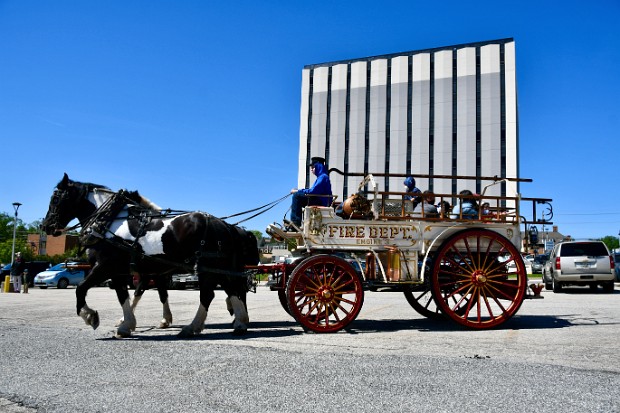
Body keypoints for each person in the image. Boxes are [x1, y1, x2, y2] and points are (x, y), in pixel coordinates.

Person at [288, 156, 332, 228]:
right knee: (298, 196)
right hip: (320, 199)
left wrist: (297, 191)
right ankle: (296, 221)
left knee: (297, 196)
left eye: (313, 167)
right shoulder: (321, 177)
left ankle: (295, 223)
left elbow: (313, 191)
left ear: (319, 167)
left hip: (322, 201)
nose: (311, 169)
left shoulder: (323, 177)